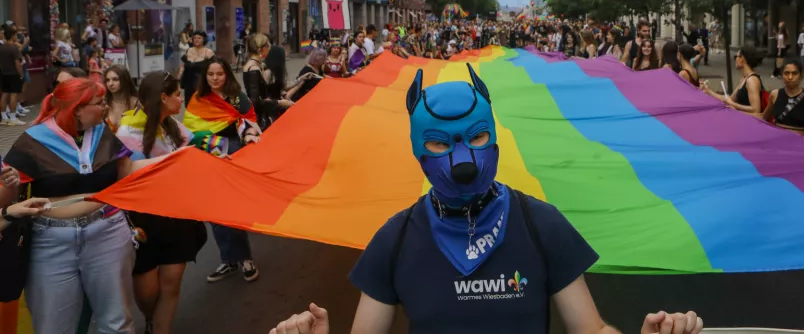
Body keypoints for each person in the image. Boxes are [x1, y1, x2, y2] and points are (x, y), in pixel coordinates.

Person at [271, 64, 704, 334]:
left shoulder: (542, 224)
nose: (464, 161)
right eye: (441, 144)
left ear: (494, 140)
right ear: (419, 151)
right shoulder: (395, 238)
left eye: (478, 137)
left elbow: (589, 329)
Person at [3, 78, 175, 334]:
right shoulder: (33, 141)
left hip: (108, 234)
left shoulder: (102, 133)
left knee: (117, 325)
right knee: (53, 328)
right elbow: (6, 198)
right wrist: (9, 185)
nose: (106, 107)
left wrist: (179, 159)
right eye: (98, 103)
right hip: (51, 243)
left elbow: (127, 173)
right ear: (76, 109)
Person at [116, 72, 207, 334]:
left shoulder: (173, 125)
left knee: (171, 285)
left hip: (177, 213)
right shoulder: (128, 131)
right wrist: (178, 160)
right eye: (178, 94)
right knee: (148, 292)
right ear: (164, 97)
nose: (182, 99)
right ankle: (151, 320)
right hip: (143, 219)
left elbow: (197, 148)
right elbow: (129, 172)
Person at [184, 58, 262, 283]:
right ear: (205, 76)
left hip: (235, 157)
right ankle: (228, 259)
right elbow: (190, 132)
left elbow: (251, 125)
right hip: (208, 157)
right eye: (211, 74)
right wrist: (209, 145)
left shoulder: (238, 98)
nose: (215, 78)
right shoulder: (198, 100)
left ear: (227, 74)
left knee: (233, 208)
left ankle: (245, 258)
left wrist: (247, 135)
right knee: (216, 211)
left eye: (219, 74)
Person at [761, 60, 804, 136]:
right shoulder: (774, 94)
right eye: (786, 73)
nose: (790, 77)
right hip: (777, 141)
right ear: (782, 75)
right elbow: (764, 119)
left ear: (801, 76)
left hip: (800, 144)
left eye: (794, 73)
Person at [701, 49, 767, 115]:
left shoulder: (752, 80)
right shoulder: (744, 79)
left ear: (742, 59)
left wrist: (734, 106)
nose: (735, 60)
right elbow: (729, 99)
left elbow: (756, 110)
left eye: (736, 57)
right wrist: (708, 91)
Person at [0, 25, 26, 126]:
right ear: (12, 36)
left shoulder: (1, 48)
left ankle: (4, 117)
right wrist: (21, 75)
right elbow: (17, 64)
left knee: (4, 94)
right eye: (16, 35)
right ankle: (13, 118)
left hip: (4, 74)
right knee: (13, 95)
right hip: (14, 74)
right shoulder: (14, 48)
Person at [104, 65, 139, 133]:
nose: (110, 84)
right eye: (107, 80)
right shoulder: (103, 104)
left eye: (115, 79)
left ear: (125, 80)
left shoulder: (137, 104)